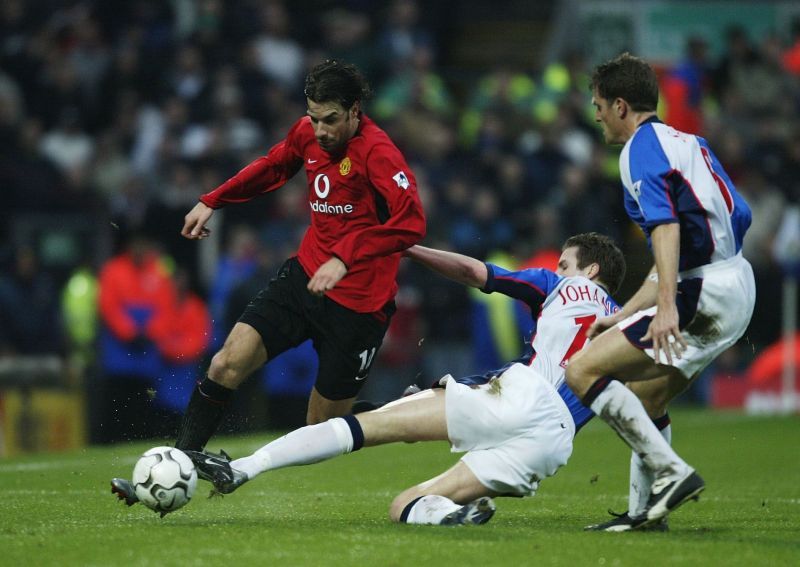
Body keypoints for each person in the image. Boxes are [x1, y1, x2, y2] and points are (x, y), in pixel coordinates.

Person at [111, 59, 425, 501]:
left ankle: (409, 409)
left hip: (358, 305)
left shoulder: (378, 153)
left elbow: (411, 223)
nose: (319, 131)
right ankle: (178, 465)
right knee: (225, 362)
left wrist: (346, 256)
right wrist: (213, 201)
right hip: (303, 278)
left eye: (331, 120)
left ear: (356, 111)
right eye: (314, 118)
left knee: (321, 431)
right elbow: (274, 166)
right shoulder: (307, 133)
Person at [173, 233, 626, 526]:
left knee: (363, 427)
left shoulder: (558, 286)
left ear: (591, 272)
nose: (559, 270)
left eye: (566, 264)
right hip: (553, 443)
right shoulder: (625, 328)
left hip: (518, 397)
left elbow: (475, 273)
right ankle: (448, 514)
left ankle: (241, 468)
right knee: (405, 506)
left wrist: (408, 247)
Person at [564, 53, 755, 531]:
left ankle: (672, 472)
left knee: (581, 370)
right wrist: (625, 312)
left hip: (703, 291)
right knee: (648, 398)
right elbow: (740, 214)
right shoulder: (690, 142)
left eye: (600, 105)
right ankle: (645, 515)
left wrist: (668, 304)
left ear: (622, 106)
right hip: (734, 282)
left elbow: (667, 228)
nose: (597, 115)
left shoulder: (638, 152)